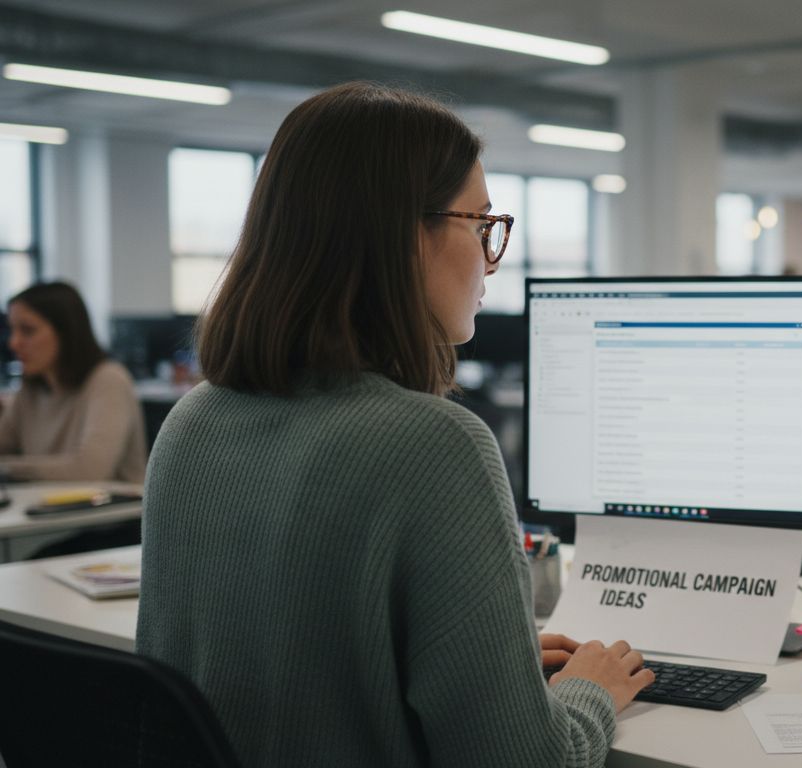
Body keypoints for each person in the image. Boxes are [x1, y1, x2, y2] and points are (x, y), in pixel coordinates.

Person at [136, 82, 653, 767]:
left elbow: (289, 665)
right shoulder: (437, 445)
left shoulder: (191, 423)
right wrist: (590, 693)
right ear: (408, 236)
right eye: (481, 225)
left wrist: (482, 662)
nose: (489, 257)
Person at [0, 281, 146, 482]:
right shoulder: (31, 388)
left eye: (27, 330)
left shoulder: (109, 380)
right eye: (12, 330)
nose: (13, 342)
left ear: (65, 333)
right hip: (47, 508)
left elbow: (89, 470)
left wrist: (7, 468)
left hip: (113, 510)